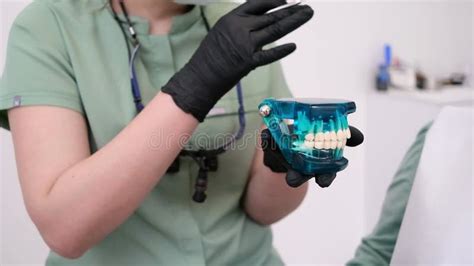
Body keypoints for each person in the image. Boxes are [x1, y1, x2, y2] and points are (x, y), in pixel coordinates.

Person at [0, 0, 361, 264]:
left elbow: (263, 211)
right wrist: (196, 84)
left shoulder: (241, 27)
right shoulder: (48, 27)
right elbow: (65, 231)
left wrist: (284, 162)